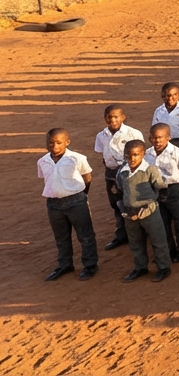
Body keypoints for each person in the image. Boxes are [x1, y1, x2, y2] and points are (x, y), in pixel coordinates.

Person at [39, 128, 98, 281]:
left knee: (85, 236)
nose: (54, 146)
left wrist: (81, 195)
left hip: (76, 202)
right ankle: (65, 265)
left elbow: (87, 177)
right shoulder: (42, 161)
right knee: (61, 237)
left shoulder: (77, 158)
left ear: (67, 142)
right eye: (51, 142)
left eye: (59, 143)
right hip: (53, 205)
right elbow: (46, 179)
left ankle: (90, 265)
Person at [116, 140, 172, 283]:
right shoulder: (122, 172)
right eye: (128, 155)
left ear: (143, 154)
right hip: (130, 213)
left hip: (149, 212)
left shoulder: (150, 170)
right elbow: (120, 189)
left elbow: (159, 188)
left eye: (136, 155)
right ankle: (140, 267)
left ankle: (163, 267)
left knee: (157, 239)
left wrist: (149, 204)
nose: (132, 158)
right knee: (135, 241)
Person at [94, 104, 144, 250]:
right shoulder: (101, 135)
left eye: (116, 117)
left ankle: (140, 235)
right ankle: (122, 235)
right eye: (109, 117)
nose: (113, 120)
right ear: (105, 118)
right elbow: (102, 154)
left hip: (129, 172)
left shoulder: (133, 133)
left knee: (134, 203)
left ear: (123, 117)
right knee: (117, 204)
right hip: (110, 174)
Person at [147, 124, 179, 264]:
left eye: (160, 137)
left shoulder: (177, 152)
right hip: (156, 192)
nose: (157, 141)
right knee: (162, 223)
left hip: (173, 190)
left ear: (168, 138)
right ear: (149, 139)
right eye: (154, 138)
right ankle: (168, 250)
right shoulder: (147, 154)